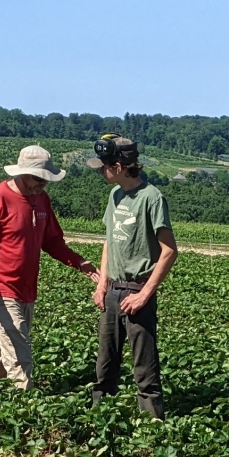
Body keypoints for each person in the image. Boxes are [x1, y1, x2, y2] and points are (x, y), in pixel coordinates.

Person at [0, 145, 99, 390]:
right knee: (20, 353)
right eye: (37, 178)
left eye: (46, 179)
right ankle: (25, 406)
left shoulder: (41, 199)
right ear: (21, 173)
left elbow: (52, 241)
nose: (42, 183)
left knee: (8, 346)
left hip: (27, 289)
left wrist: (80, 262)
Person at [86, 135, 178, 419]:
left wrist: (144, 294)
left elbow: (169, 251)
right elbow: (109, 241)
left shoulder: (151, 198)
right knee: (104, 366)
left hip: (137, 291)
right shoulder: (114, 196)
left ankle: (152, 430)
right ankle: (100, 421)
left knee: (145, 370)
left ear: (118, 166)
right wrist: (102, 284)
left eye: (103, 166)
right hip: (112, 291)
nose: (101, 170)